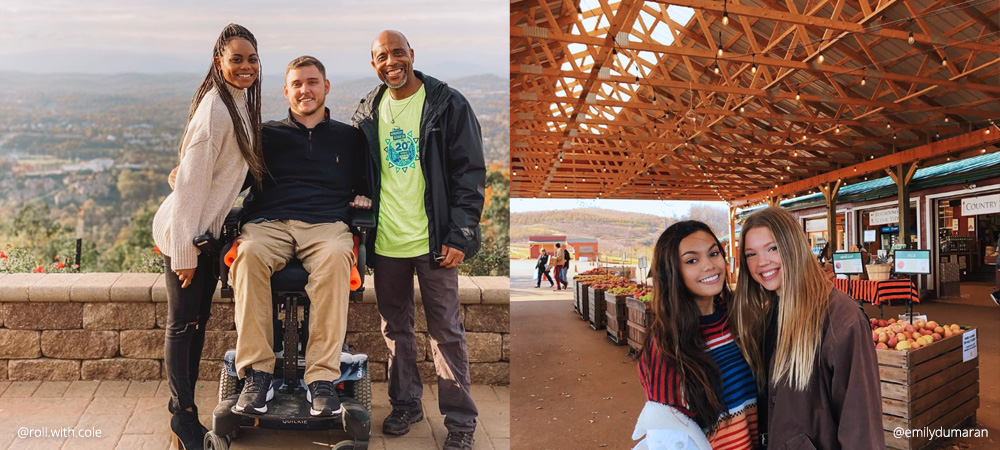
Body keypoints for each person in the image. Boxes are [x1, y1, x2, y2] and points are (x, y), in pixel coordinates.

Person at [351, 30, 485, 450]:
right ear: (373, 64)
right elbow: (360, 171)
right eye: (381, 56)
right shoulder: (367, 111)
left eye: (397, 52)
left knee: (446, 331)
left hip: (435, 243)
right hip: (387, 242)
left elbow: (470, 173)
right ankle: (406, 403)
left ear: (411, 54)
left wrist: (461, 234)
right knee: (395, 329)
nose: (390, 61)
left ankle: (461, 422)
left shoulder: (447, 104)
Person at [229, 56, 370, 418]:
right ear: (286, 91)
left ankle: (322, 378)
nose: (304, 90)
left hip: (325, 225)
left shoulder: (350, 138)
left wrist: (365, 195)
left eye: (312, 82)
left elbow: (369, 184)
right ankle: (257, 374)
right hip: (269, 223)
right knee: (248, 255)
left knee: (338, 255)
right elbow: (228, 178)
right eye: (297, 84)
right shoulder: (264, 135)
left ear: (326, 86)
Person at [152, 23, 265, 450]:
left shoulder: (238, 105)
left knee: (196, 325)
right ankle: (184, 420)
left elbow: (200, 174)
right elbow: (192, 189)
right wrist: (183, 251)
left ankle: (179, 408)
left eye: (252, 59)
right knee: (184, 327)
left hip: (201, 234)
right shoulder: (217, 108)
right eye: (236, 59)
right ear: (219, 61)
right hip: (186, 237)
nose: (246, 66)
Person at [732, 207, 884, 449]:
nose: (762, 262)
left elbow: (861, 426)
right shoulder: (766, 312)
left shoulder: (840, 318)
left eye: (773, 248)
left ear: (793, 247)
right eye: (751, 254)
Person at [632, 221, 759, 450]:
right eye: (692, 260)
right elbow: (669, 439)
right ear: (671, 272)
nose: (709, 265)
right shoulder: (666, 346)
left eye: (713, 253)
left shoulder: (740, 319)